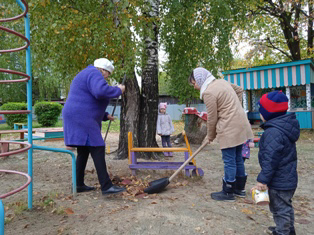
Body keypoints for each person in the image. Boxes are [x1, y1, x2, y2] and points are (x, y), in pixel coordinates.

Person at [63, 58, 126, 195]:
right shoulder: (94, 73)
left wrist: (104, 115)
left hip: (78, 114)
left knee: (84, 150)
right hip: (81, 116)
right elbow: (100, 92)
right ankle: (106, 186)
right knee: (97, 146)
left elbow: (87, 101)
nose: (107, 77)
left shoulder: (87, 73)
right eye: (107, 74)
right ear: (103, 70)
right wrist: (118, 90)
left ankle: (78, 184)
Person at [189, 67, 253, 201]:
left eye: (194, 83)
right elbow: (240, 90)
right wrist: (236, 108)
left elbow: (212, 117)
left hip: (229, 127)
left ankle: (228, 192)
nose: (194, 87)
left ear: (199, 80)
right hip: (241, 123)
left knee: (229, 160)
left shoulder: (209, 93)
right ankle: (239, 189)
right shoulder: (221, 82)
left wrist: (210, 136)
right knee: (237, 158)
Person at [251, 91, 299, 235]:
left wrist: (262, 180)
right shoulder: (282, 128)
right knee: (285, 206)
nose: (259, 114)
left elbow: (271, 160)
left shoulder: (273, 132)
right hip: (287, 178)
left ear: (268, 114)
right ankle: (288, 229)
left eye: (261, 110)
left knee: (280, 209)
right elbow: (275, 149)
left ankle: (283, 231)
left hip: (279, 181)